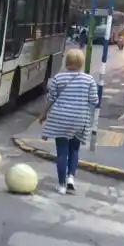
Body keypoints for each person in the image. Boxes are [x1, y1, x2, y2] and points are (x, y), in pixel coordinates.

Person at [38, 48, 99, 194]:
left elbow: (50, 99)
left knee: (62, 152)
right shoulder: (88, 80)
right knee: (74, 149)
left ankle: (62, 185)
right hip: (78, 119)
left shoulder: (58, 78)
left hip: (60, 119)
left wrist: (43, 114)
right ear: (81, 62)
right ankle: (71, 176)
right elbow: (94, 100)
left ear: (67, 62)